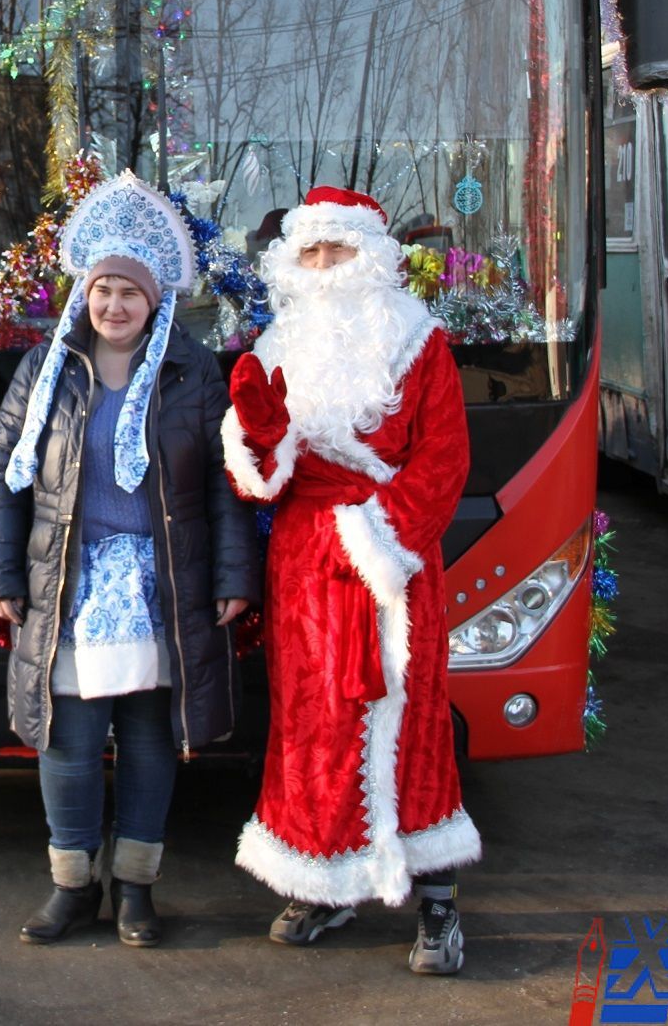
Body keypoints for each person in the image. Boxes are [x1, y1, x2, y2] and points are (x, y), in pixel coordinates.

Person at [0, 171, 259, 949]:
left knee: (146, 734)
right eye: (103, 289)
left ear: (155, 298)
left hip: (161, 582)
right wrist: (1, 574)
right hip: (67, 581)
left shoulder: (191, 372)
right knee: (68, 739)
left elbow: (225, 482)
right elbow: (5, 473)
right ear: (85, 292)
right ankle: (72, 885)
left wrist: (234, 576)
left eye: (129, 293)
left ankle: (135, 887)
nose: (114, 306)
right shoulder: (45, 370)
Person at [220, 185, 478, 975]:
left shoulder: (420, 342)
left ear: (370, 255)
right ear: (293, 261)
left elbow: (445, 461)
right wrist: (261, 442)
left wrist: (378, 539)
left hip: (393, 566)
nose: (325, 265)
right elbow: (255, 481)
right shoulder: (272, 346)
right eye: (311, 252)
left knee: (413, 723)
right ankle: (323, 881)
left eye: (338, 249)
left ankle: (437, 906)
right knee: (312, 727)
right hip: (303, 570)